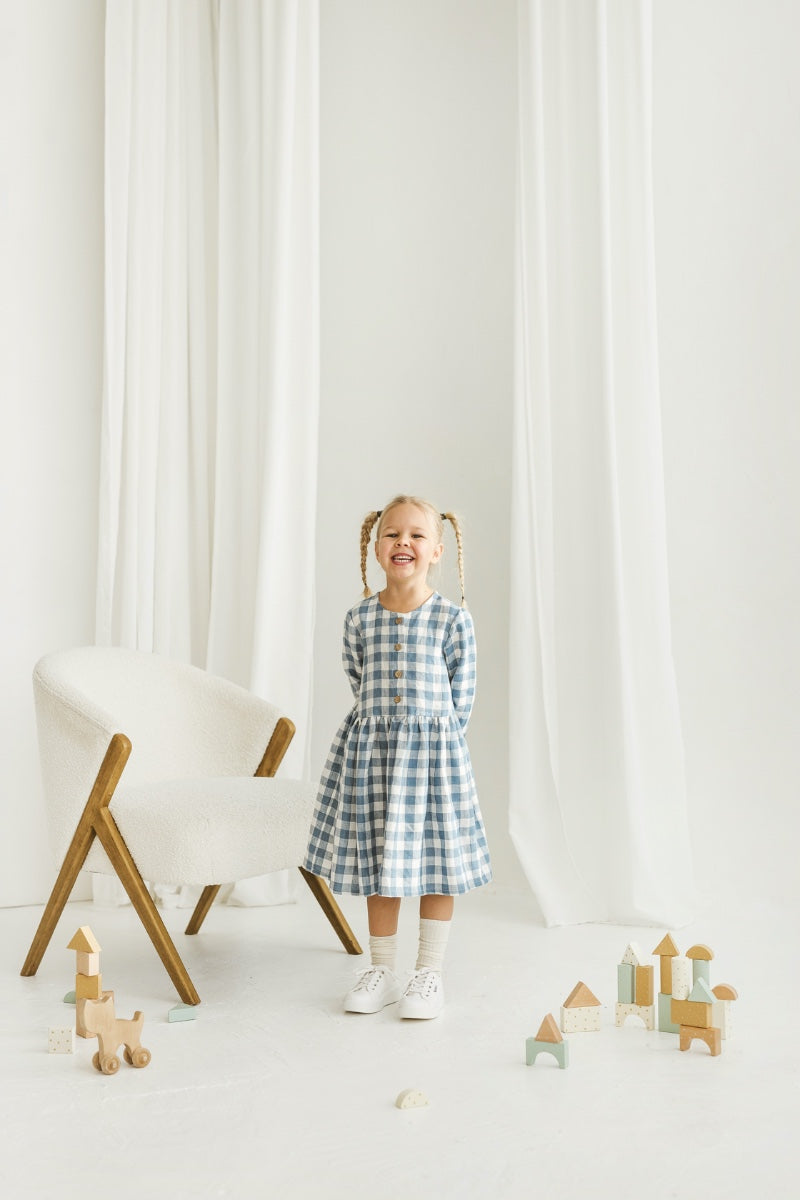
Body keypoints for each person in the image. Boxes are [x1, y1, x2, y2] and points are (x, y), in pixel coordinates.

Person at [303, 494, 492, 1019]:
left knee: (436, 866)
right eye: (392, 534)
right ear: (375, 546)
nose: (402, 542)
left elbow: (463, 697)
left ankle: (427, 973)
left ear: (435, 551)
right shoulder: (360, 618)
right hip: (375, 759)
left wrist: (433, 747)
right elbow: (359, 678)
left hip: (433, 762)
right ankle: (381, 967)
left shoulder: (452, 620)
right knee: (379, 861)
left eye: (415, 535)